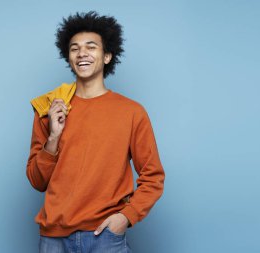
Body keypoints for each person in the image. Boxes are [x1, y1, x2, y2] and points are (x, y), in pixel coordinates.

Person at [26, 11, 165, 253]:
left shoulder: (132, 112)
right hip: (53, 240)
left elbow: (153, 178)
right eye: (74, 48)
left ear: (107, 56)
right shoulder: (49, 109)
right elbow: (37, 181)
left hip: (105, 237)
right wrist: (53, 138)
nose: (82, 54)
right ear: (68, 57)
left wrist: (125, 217)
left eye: (91, 47)